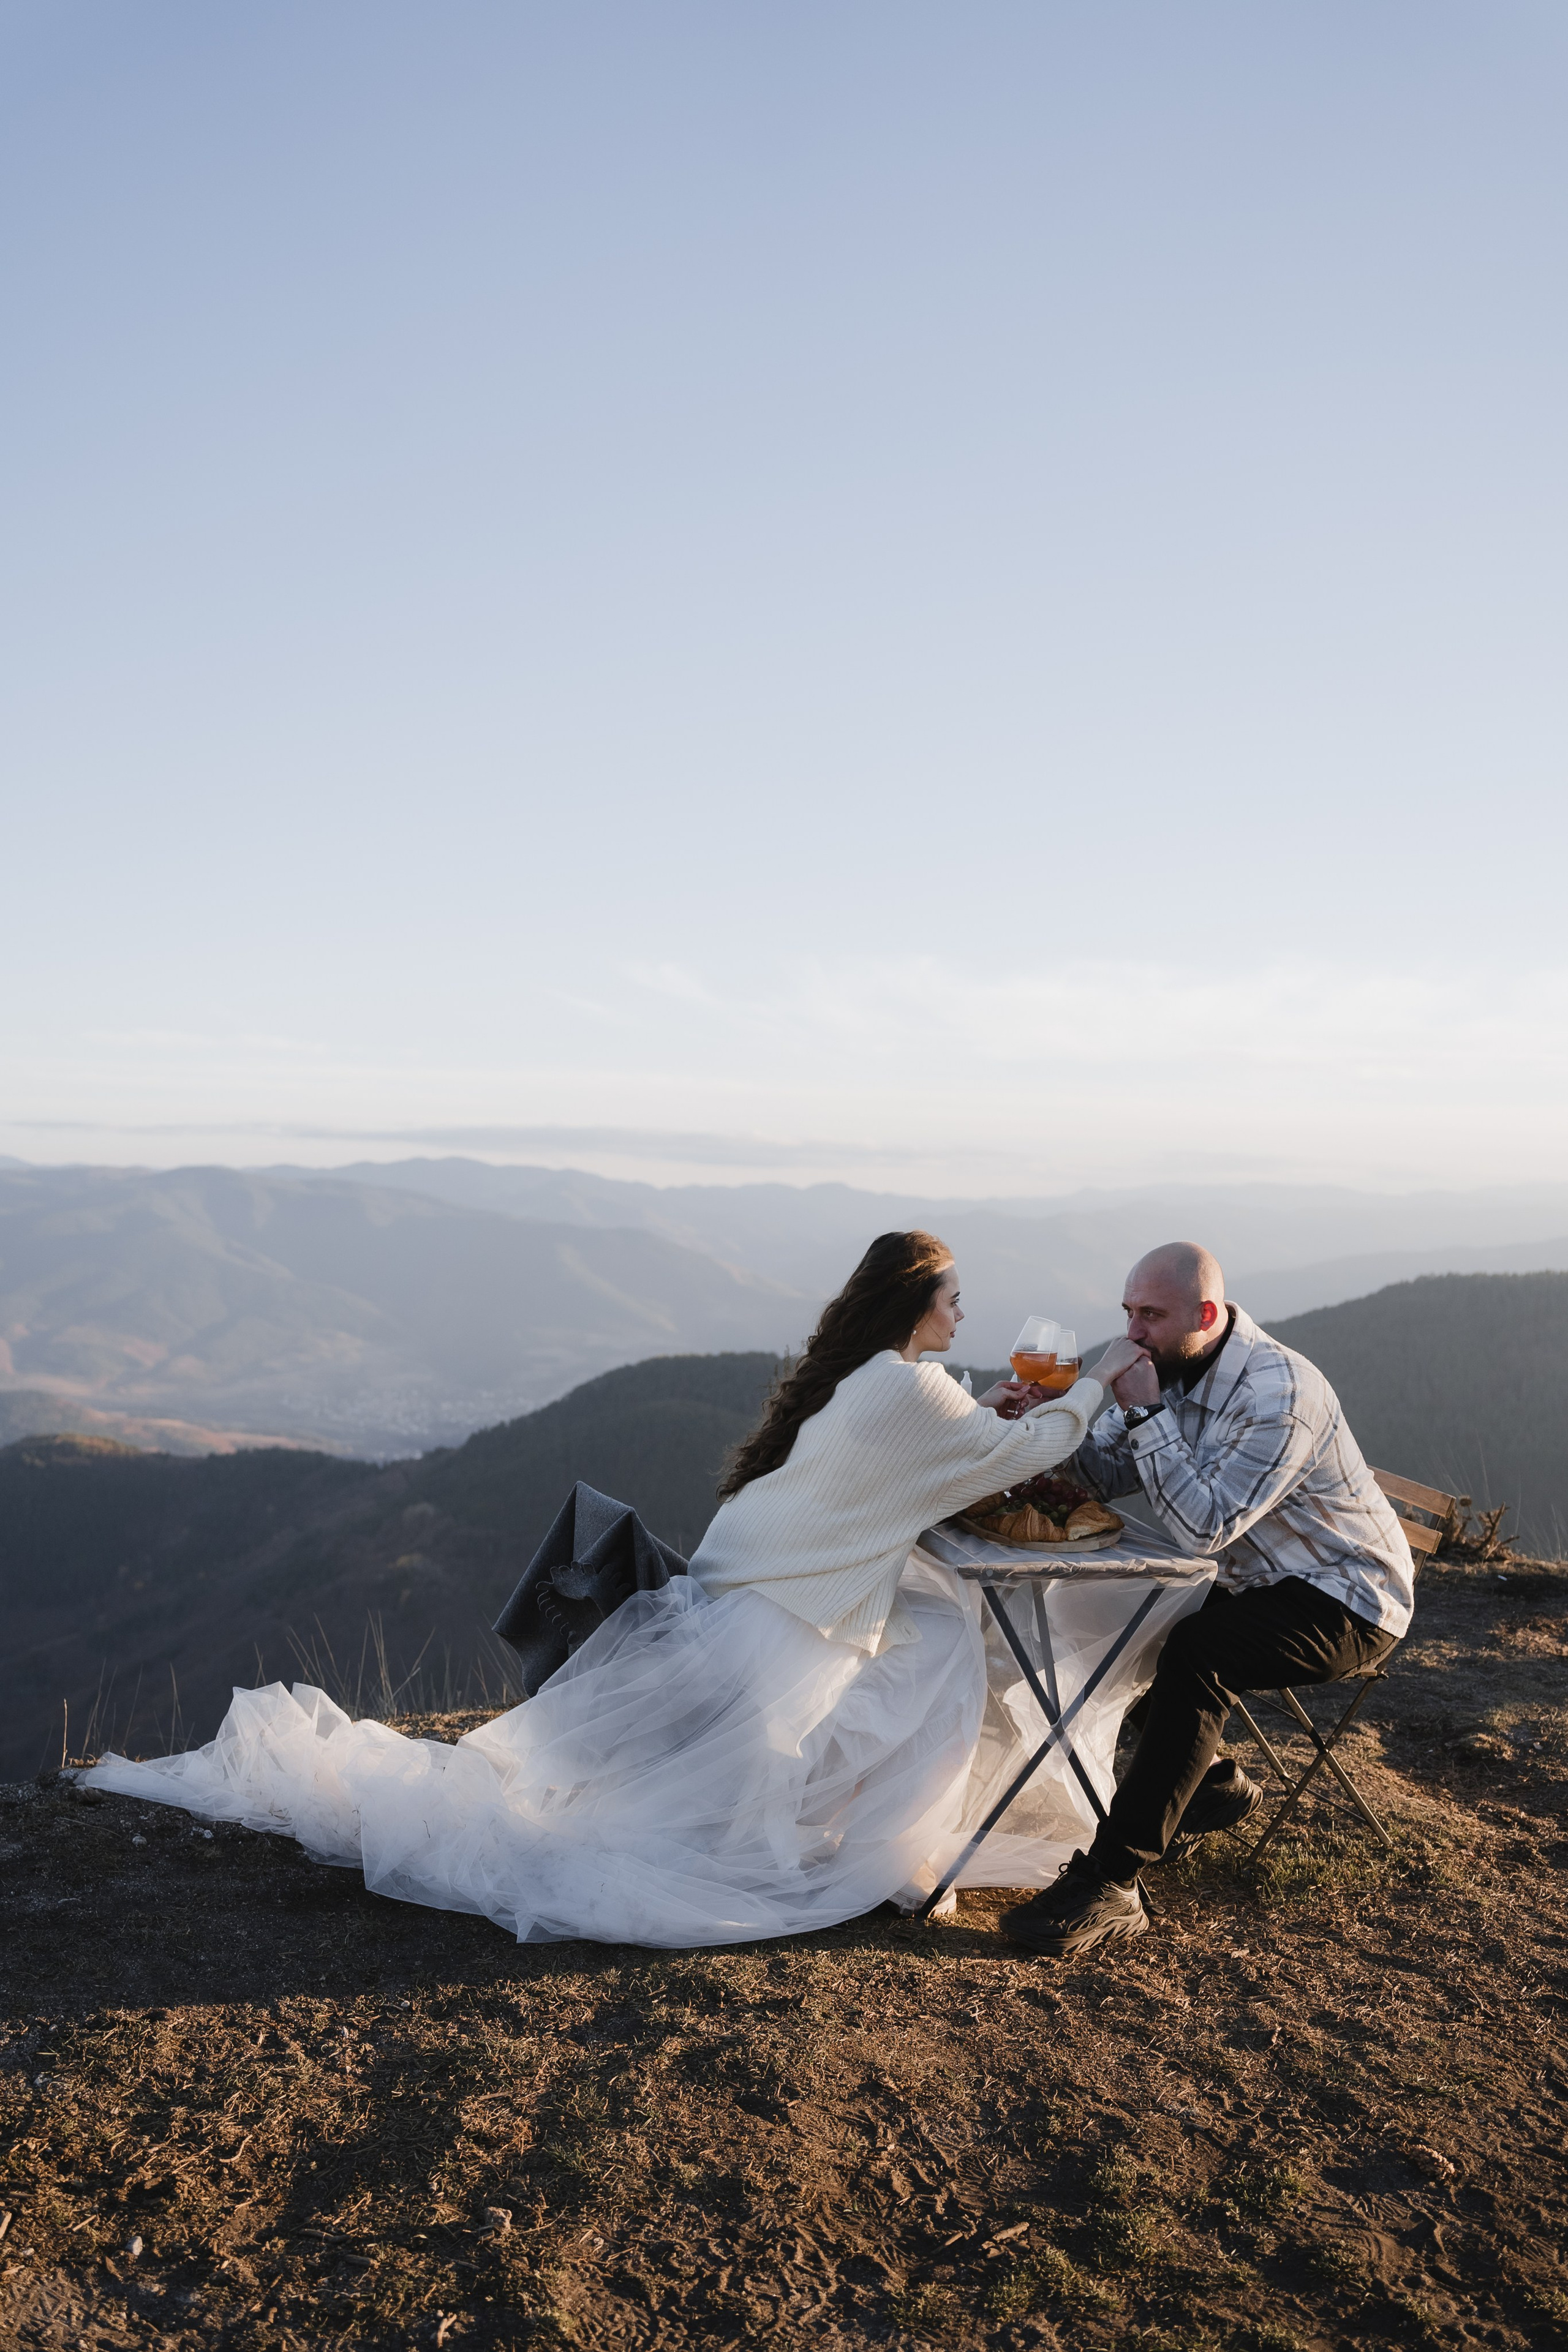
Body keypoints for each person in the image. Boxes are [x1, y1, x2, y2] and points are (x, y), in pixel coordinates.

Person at [82, 1230, 1142, 1949]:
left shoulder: (878, 1379)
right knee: (931, 1666)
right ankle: (885, 1858)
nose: (965, 1314)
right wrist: (1093, 1381)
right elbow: (991, 1456)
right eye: (956, 1300)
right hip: (796, 1608)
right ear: (919, 1304)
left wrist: (1002, 1408)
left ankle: (880, 1848)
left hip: (762, 1583)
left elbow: (951, 1438)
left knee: (926, 1653)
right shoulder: (910, 1388)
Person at [1000, 1240, 1415, 1962]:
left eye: (1151, 1315)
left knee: (1198, 1654)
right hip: (1256, 1581)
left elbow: (1204, 1528)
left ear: (1207, 1315)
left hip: (1350, 1595)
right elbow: (1097, 1474)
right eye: (1127, 1312)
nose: (1132, 1332)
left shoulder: (1279, 1394)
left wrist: (1145, 1416)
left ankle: (1112, 1880)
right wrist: (1053, 1419)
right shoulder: (1171, 1367)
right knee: (1113, 1627)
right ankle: (1213, 1785)